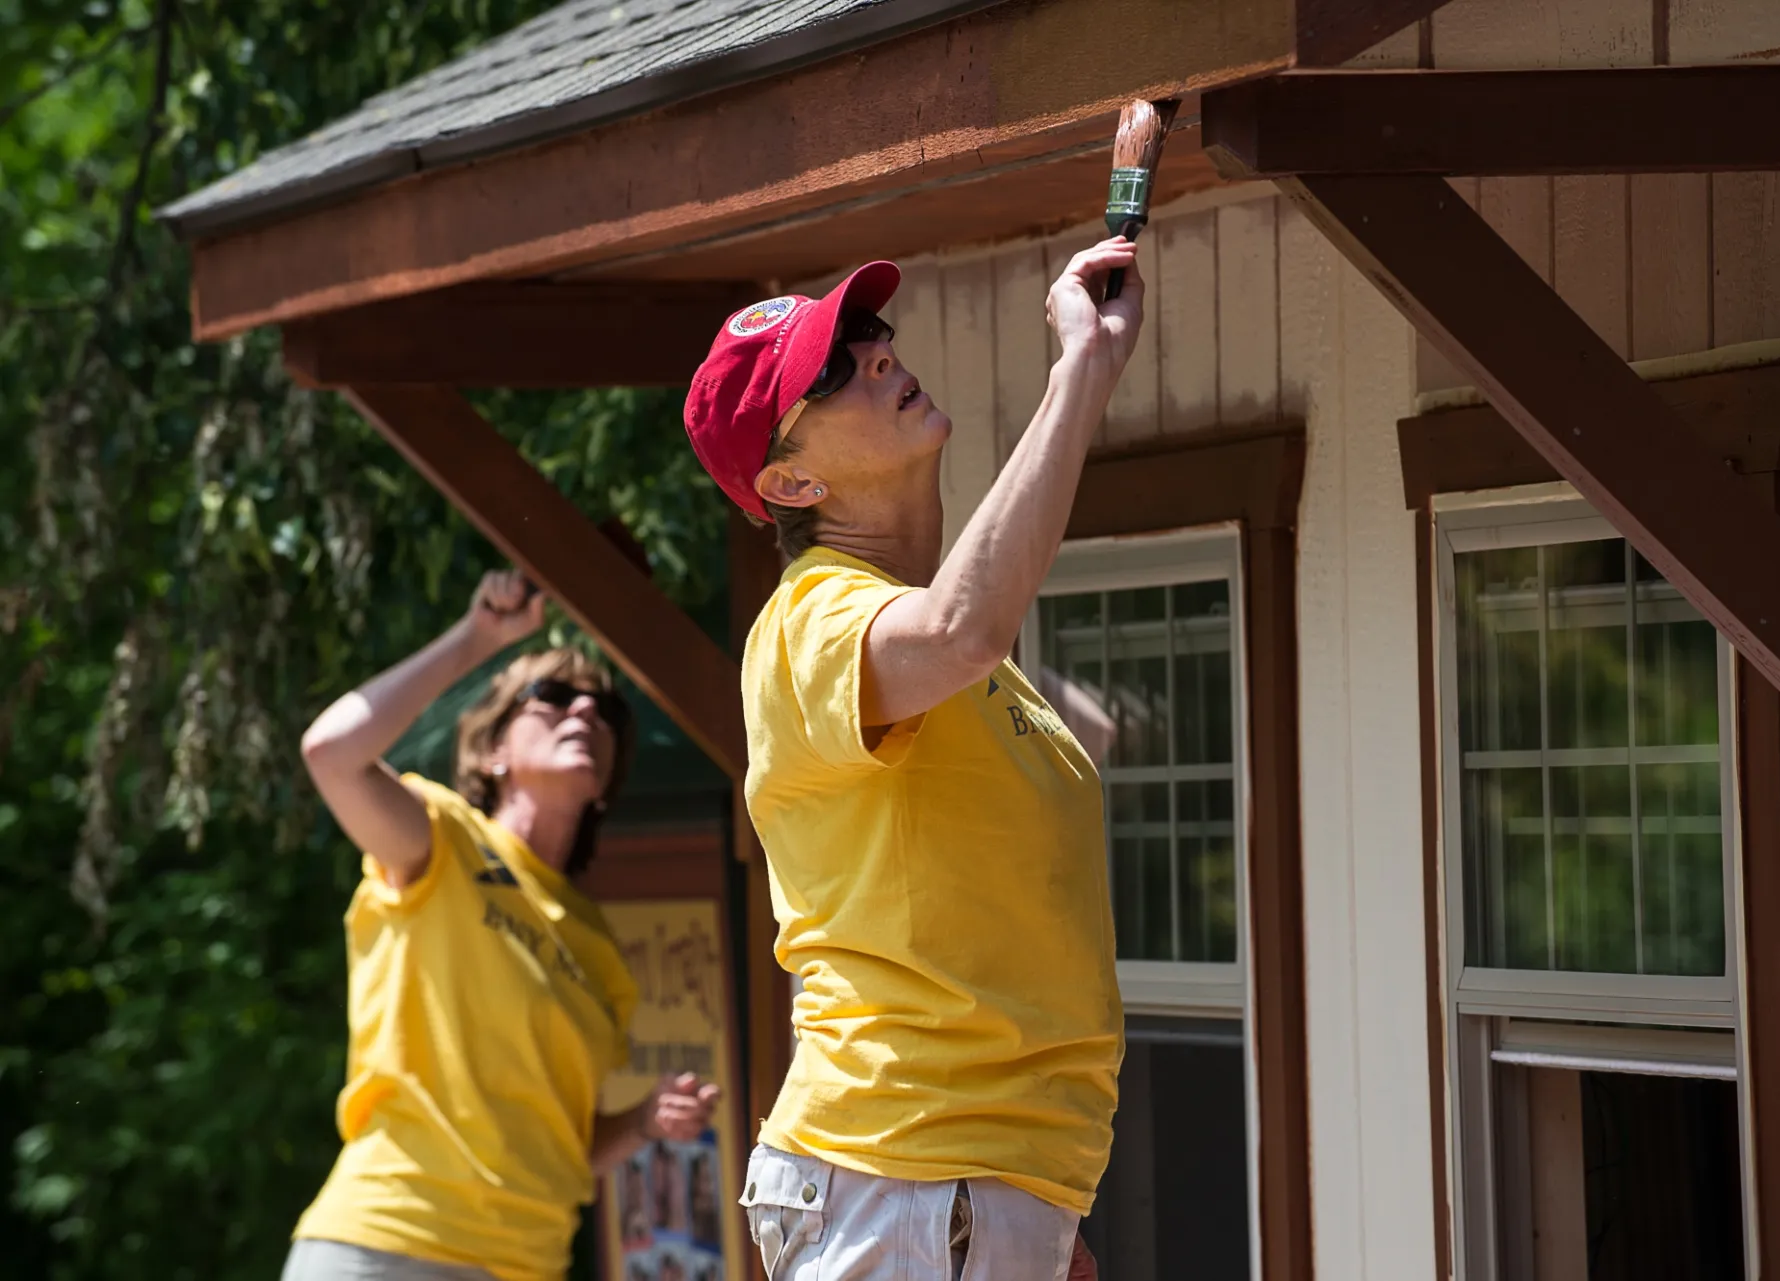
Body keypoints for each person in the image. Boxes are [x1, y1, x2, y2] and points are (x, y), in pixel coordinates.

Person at [681, 235, 1144, 1280]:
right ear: (789, 480)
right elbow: (962, 627)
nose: (879, 356)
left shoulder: (959, 668)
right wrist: (1082, 371)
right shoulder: (810, 625)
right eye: (835, 371)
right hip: (901, 1176)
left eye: (869, 335)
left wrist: (1037, 1212)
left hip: (959, 1182)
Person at [282, 571, 720, 1281]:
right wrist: (479, 638)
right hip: (388, 1244)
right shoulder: (440, 838)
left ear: (609, 782)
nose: (585, 711)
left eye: (605, 709)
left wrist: (641, 1121)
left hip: (525, 1264)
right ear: (491, 748)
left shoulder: (599, 948)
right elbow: (330, 752)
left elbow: (563, 1146)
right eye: (552, 696)